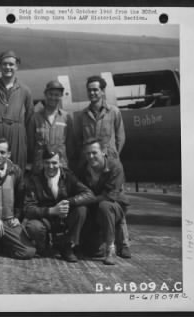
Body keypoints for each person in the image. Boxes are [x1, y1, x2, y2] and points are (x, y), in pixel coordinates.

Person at [73, 75, 130, 256]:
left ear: (103, 91)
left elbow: (121, 137)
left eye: (96, 89)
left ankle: (124, 244)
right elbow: (78, 140)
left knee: (115, 201)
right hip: (90, 166)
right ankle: (94, 241)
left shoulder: (114, 112)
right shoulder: (82, 115)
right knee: (94, 204)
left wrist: (113, 157)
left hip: (109, 167)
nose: (93, 92)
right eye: (90, 89)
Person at [23, 148, 95, 262]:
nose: (50, 166)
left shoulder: (68, 176)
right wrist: (52, 210)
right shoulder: (34, 180)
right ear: (42, 163)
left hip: (65, 217)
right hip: (46, 219)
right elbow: (28, 208)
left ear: (60, 162)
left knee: (81, 210)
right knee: (33, 227)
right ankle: (44, 245)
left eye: (54, 163)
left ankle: (68, 245)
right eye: (47, 163)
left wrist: (68, 202)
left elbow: (89, 194)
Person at [78, 138, 130, 265]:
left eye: (94, 153)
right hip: (95, 208)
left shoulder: (115, 166)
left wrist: (87, 199)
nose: (91, 157)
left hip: (114, 206)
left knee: (105, 206)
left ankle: (110, 249)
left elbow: (110, 195)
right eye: (88, 153)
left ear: (103, 152)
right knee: (91, 251)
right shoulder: (84, 169)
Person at [0, 50, 34, 172]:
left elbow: (30, 119)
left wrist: (27, 144)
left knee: (16, 170)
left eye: (11, 64)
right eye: (4, 64)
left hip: (17, 133)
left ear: (16, 66)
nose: (8, 67)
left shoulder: (25, 90)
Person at [27, 80, 74, 174]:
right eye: (50, 94)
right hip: (40, 168)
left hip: (61, 166)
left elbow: (70, 145)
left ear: (61, 96)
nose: (53, 97)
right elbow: (30, 145)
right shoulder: (35, 118)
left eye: (57, 95)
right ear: (45, 94)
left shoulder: (66, 118)